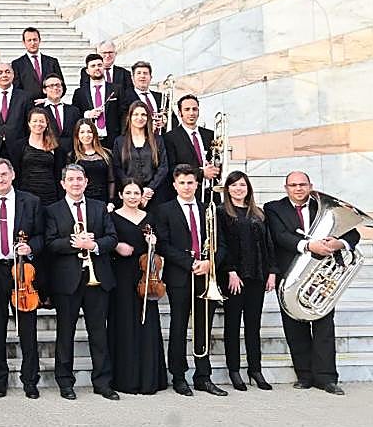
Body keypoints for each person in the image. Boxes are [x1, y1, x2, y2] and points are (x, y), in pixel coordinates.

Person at [266, 171, 357, 395]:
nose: (298, 188)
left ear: (310, 186)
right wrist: (308, 246)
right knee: (294, 326)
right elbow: (280, 236)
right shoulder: (274, 208)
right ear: (285, 188)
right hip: (290, 273)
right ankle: (304, 375)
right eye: (293, 185)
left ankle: (326, 378)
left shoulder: (323, 207)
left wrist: (339, 243)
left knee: (324, 325)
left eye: (302, 184)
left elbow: (353, 234)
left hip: (321, 274)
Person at [42, 163, 119, 401]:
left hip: (98, 279)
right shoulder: (52, 210)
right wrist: (75, 243)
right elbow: (50, 243)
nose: (76, 183)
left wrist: (93, 246)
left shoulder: (99, 208)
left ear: (86, 182)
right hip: (68, 281)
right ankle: (65, 382)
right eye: (71, 179)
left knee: (99, 333)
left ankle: (102, 382)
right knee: (66, 333)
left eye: (80, 179)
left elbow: (112, 238)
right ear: (63, 183)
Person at [152, 164, 225, 397]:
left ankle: (203, 377)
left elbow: (221, 244)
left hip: (206, 275)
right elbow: (163, 244)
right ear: (174, 185)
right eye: (182, 182)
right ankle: (179, 376)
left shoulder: (209, 209)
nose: (186, 186)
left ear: (197, 184)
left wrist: (210, 263)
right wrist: (188, 262)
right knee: (178, 326)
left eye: (190, 182)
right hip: (180, 276)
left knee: (204, 327)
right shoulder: (164, 210)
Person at [0, 158, 45, 398]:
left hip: (22, 272)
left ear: (13, 174)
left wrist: (31, 248)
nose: (0, 179)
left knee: (28, 329)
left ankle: (30, 380)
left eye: (4, 174)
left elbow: (41, 236)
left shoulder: (32, 201)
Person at [216, 170, 276, 391]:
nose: (238, 189)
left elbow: (269, 244)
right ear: (227, 189)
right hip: (234, 277)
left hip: (257, 276)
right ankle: (234, 370)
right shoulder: (222, 212)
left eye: (242, 185)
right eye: (233, 185)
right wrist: (230, 271)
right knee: (232, 325)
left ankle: (255, 369)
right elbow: (220, 243)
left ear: (248, 188)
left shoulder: (258, 214)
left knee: (253, 325)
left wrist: (272, 271)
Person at [108, 179, 167, 395]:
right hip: (122, 276)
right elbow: (108, 240)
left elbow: (160, 243)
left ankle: (149, 378)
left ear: (142, 195)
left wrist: (153, 241)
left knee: (147, 323)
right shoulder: (113, 217)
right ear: (121, 195)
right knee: (123, 322)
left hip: (146, 277)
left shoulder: (150, 218)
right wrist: (116, 246)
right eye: (129, 193)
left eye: (136, 193)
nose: (133, 196)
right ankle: (126, 379)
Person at [161, 94, 218, 202]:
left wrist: (217, 167)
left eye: (194, 109)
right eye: (187, 109)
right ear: (179, 113)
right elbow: (172, 168)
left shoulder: (210, 135)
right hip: (186, 194)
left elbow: (215, 160)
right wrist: (201, 173)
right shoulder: (170, 137)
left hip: (210, 192)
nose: (191, 113)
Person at [112, 102, 168, 207]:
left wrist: (149, 189)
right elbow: (117, 168)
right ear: (129, 117)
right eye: (136, 114)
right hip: (129, 196)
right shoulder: (119, 141)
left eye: (143, 115)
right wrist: (133, 189)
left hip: (154, 195)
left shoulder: (157, 140)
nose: (140, 118)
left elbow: (163, 167)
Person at [10, 108, 66, 206]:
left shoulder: (55, 147)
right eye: (34, 121)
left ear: (46, 123)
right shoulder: (19, 146)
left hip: (50, 196)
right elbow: (16, 172)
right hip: (26, 195)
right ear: (29, 123)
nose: (38, 124)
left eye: (41, 121)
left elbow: (58, 173)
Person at [73, 54, 122, 153]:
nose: (97, 68)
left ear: (104, 67)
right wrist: (87, 114)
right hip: (88, 141)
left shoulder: (116, 89)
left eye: (100, 65)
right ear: (87, 71)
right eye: (93, 66)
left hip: (113, 139)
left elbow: (123, 113)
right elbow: (75, 114)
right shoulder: (80, 92)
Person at [11, 27, 64, 101]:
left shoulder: (52, 62)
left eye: (35, 40)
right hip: (29, 107)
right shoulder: (17, 64)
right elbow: (17, 89)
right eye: (29, 40)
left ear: (39, 40)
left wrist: (47, 100)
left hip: (50, 105)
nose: (32, 43)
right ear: (24, 42)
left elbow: (62, 86)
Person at [71, 120, 115, 203]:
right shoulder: (72, 156)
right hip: (82, 201)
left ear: (94, 134)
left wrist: (111, 202)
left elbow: (111, 180)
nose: (86, 135)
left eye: (89, 132)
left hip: (103, 200)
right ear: (77, 135)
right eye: (82, 132)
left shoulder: (106, 154)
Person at [39, 74, 80, 154]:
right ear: (44, 90)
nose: (55, 88)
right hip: (47, 153)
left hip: (70, 155)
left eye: (58, 85)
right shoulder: (38, 111)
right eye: (51, 86)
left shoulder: (74, 110)